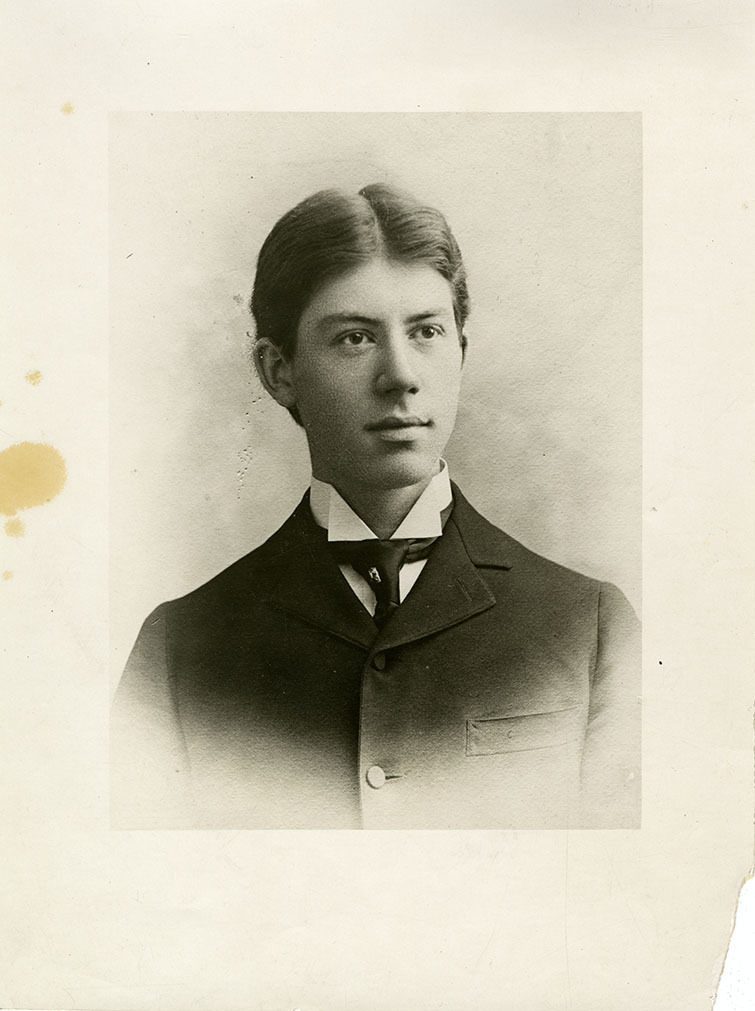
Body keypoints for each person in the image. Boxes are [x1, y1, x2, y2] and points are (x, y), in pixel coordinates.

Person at [111, 183, 640, 830]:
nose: (400, 374)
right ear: (278, 372)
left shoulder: (587, 628)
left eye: (425, 331)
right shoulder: (178, 652)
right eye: (355, 338)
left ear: (461, 353)